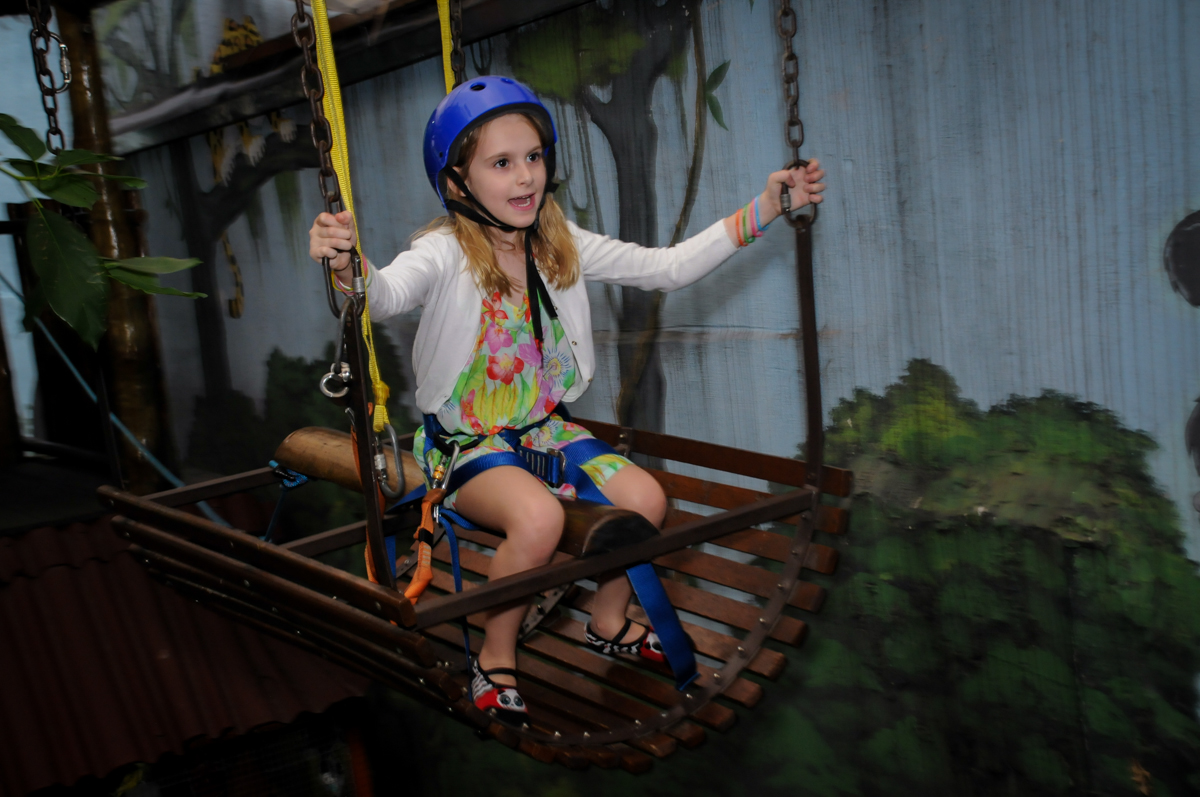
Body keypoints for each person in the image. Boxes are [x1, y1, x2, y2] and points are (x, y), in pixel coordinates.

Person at [309, 76, 825, 723]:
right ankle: (496, 656)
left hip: (546, 431)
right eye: (501, 163)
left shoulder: (561, 245)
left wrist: (766, 207)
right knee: (538, 520)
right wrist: (347, 265)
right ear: (457, 183)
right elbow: (384, 294)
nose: (526, 175)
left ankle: (607, 619)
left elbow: (667, 268)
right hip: (468, 444)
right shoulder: (442, 253)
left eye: (533, 156)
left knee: (645, 500)